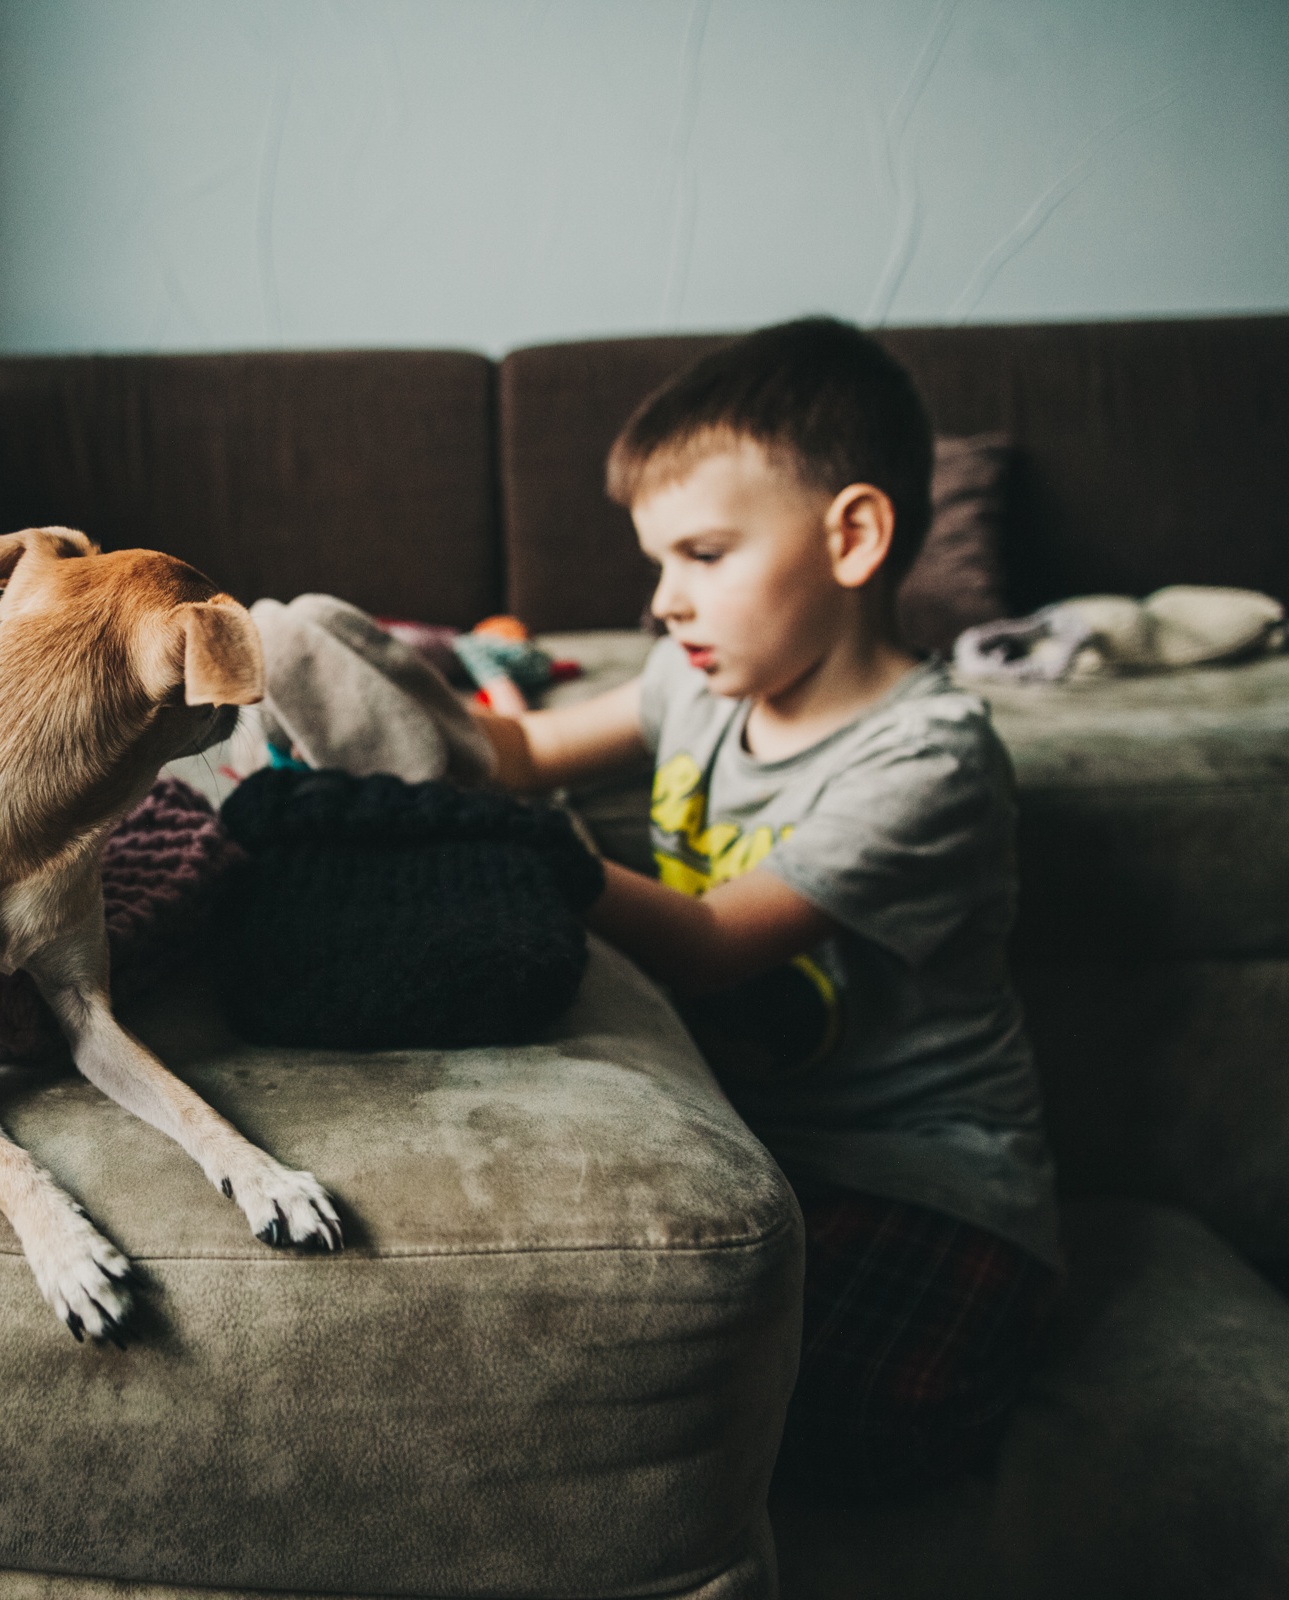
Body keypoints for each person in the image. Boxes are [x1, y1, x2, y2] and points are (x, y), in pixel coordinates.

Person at [473, 317, 1062, 1499]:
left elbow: (710, 945)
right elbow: (522, 750)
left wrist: (517, 847)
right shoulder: (691, 683)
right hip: (759, 1157)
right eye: (659, 562)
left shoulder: (929, 760)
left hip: (927, 1185)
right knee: (574, 1360)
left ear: (852, 536)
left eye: (702, 553)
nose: (664, 602)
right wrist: (351, 678)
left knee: (787, 1413)